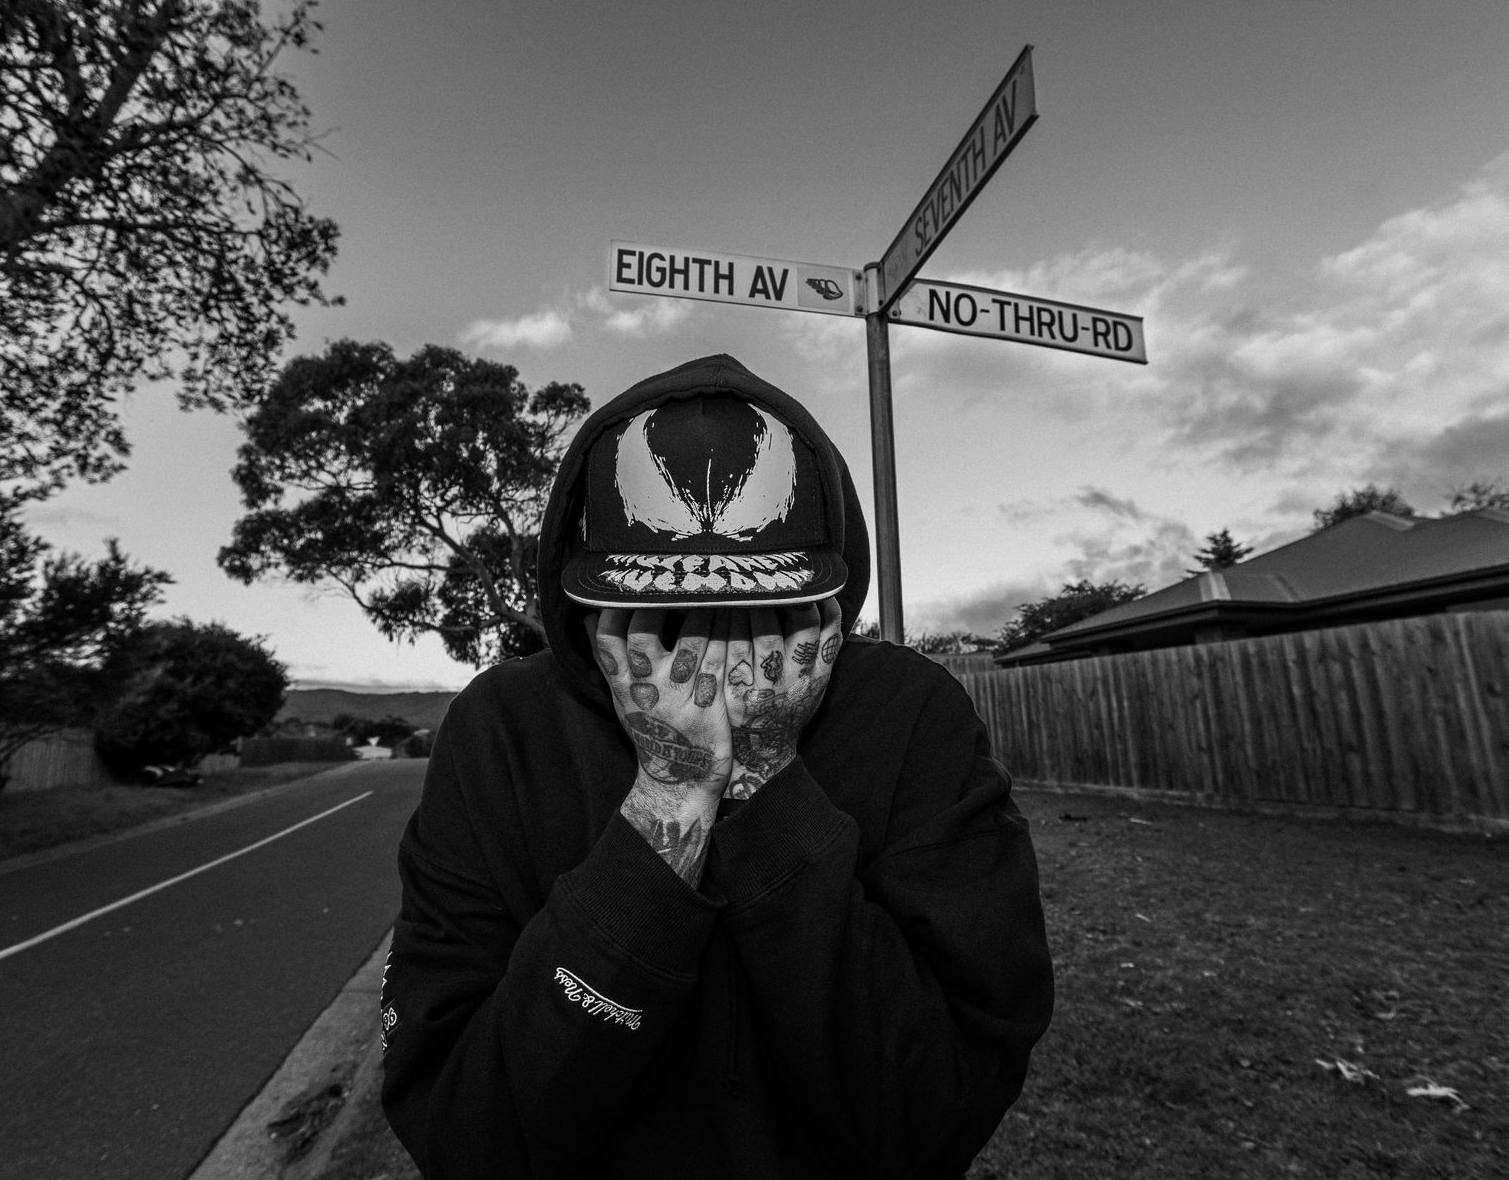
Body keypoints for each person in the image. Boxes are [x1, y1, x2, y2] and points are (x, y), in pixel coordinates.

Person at [380, 353, 1053, 1178]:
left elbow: (933, 1112)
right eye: (657, 609)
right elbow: (466, 1135)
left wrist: (766, 782)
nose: (707, 640)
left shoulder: (911, 715)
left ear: (829, 589)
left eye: (758, 604)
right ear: (585, 592)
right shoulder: (503, 731)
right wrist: (668, 793)